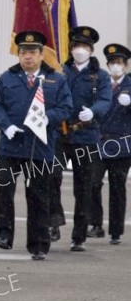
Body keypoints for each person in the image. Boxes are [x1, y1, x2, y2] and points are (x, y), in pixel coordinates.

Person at [0, 31, 73, 260]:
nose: (27, 57)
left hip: (41, 146)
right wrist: (5, 126)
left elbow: (67, 107)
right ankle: (3, 234)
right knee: (4, 191)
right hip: (10, 145)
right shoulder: (7, 78)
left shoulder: (56, 78)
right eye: (23, 52)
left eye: (32, 52)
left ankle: (38, 243)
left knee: (38, 196)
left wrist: (49, 117)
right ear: (18, 54)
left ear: (41, 54)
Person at [47, 26, 112, 251]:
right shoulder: (60, 72)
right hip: (60, 133)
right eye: (76, 46)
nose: (80, 50)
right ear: (71, 48)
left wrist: (94, 111)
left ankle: (79, 235)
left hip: (86, 135)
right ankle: (53, 221)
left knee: (84, 185)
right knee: (51, 176)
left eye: (84, 47)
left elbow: (105, 99)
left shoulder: (100, 75)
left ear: (91, 50)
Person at [89, 43, 131, 244]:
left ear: (126, 66)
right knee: (92, 183)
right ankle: (96, 224)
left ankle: (116, 231)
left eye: (120, 63)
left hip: (122, 145)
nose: (116, 66)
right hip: (99, 142)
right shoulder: (100, 83)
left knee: (117, 188)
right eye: (113, 63)